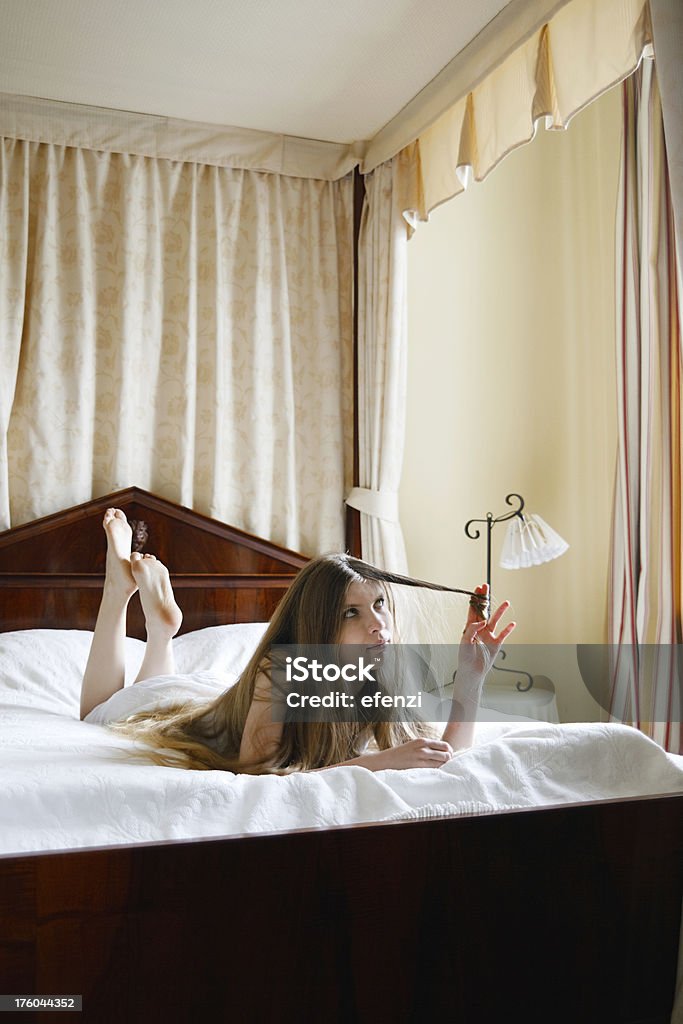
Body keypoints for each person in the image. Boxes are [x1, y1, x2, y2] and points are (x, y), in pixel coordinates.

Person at [80, 508, 515, 773]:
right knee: (98, 711)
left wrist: (470, 681)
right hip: (173, 711)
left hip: (212, 697)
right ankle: (117, 591)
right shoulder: (281, 671)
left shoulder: (379, 671)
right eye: (352, 612)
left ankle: (160, 634)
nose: (378, 624)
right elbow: (258, 770)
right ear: (315, 627)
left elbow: (440, 758)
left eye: (381, 603)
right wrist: (380, 761)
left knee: (154, 677)